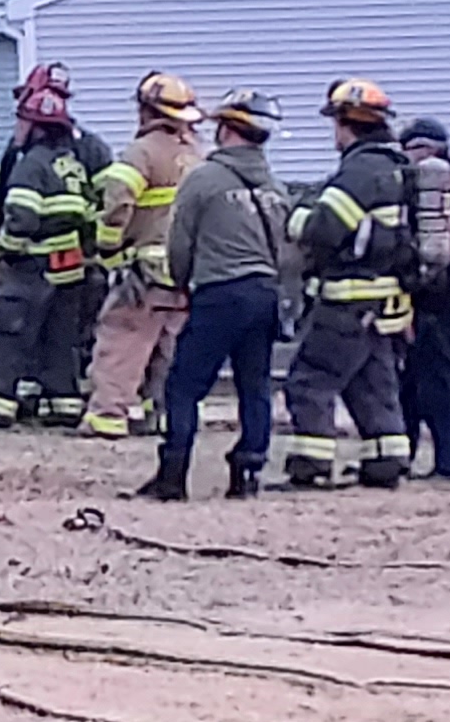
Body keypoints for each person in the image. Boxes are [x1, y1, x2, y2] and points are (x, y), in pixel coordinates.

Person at [135, 90, 292, 501]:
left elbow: (180, 243)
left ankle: (172, 476)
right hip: (265, 294)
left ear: (227, 128)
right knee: (254, 386)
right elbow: (288, 249)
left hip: (219, 293)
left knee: (183, 387)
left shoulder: (204, 178)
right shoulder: (276, 186)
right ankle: (248, 474)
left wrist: (182, 284)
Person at [282, 78, 418, 490]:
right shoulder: (397, 167)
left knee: (310, 380)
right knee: (373, 384)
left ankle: (312, 465)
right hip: (383, 302)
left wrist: (294, 218)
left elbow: (325, 229)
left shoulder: (360, 170)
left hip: (347, 298)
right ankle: (387, 462)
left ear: (346, 124)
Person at [0, 64, 112, 430]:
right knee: (59, 334)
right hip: (70, 263)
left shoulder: (34, 162)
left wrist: (4, 247)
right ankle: (61, 403)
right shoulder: (70, 160)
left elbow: (21, 214)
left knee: (9, 330)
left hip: (33, 262)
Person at [85, 72, 206, 441]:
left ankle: (108, 416)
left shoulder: (142, 152)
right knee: (170, 347)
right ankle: (165, 415)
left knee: (123, 340)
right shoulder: (197, 156)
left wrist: (108, 247)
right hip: (186, 271)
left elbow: (118, 202)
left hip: (144, 270)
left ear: (146, 110)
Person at [395, 116, 450, 481]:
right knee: (413, 382)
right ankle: (409, 454)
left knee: (440, 381)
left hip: (436, 297)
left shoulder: (446, 194)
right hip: (437, 296)